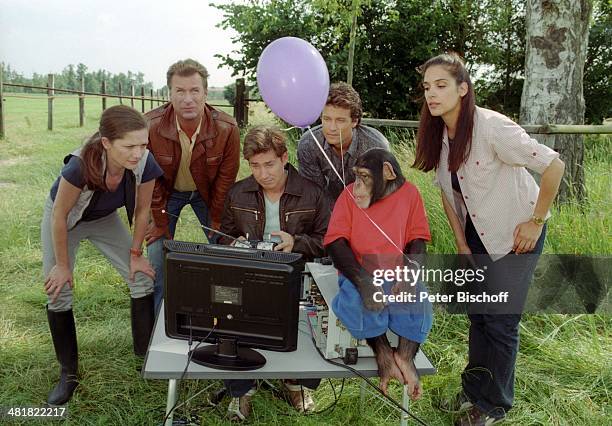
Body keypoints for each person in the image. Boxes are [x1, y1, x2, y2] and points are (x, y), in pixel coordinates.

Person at [413, 53, 565, 425]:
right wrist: (462, 245)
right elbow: (448, 195)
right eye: (427, 87)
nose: (432, 94)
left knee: (500, 321)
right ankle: (473, 391)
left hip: (516, 236)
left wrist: (536, 221)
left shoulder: (493, 127)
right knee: (478, 316)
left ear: (463, 89)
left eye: (441, 85)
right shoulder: (441, 135)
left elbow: (554, 165)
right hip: (476, 236)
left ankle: (494, 406)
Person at [42, 105, 163, 405]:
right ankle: (68, 373)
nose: (137, 153)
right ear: (106, 143)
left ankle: (144, 358)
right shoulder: (80, 165)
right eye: (129, 146)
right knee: (58, 291)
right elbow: (59, 214)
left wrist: (136, 253)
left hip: (103, 218)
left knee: (141, 279)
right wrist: (61, 265)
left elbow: (143, 209)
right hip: (66, 221)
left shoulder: (144, 162)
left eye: (143, 144)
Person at [219, 126, 330, 421]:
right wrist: (235, 243)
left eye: (269, 164)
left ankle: (295, 383)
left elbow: (329, 241)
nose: (263, 173)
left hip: (298, 274)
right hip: (249, 274)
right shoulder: (237, 192)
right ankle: (243, 391)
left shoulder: (312, 192)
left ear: (284, 158)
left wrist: (297, 243)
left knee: (311, 325)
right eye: (255, 166)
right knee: (229, 317)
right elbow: (220, 235)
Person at [324, 148, 433, 400]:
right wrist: (364, 282)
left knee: (419, 301)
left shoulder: (409, 194)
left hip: (395, 270)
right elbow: (335, 242)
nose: (357, 185)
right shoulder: (349, 196)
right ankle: (383, 355)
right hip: (360, 268)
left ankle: (405, 357)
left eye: (364, 177)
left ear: (387, 173)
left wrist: (409, 274)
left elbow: (417, 240)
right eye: (356, 176)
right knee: (359, 302)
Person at [145, 59, 240, 313]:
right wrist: (160, 221)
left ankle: (225, 314)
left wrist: (218, 218)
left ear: (205, 93)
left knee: (227, 248)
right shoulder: (150, 126)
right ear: (170, 94)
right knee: (156, 256)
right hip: (165, 194)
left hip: (207, 195)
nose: (188, 99)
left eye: (194, 91)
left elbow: (225, 180)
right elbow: (149, 180)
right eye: (180, 91)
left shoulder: (227, 128)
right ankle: (158, 324)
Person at [297, 82, 390, 210]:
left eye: (340, 120)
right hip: (327, 212)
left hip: (367, 210)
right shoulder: (309, 144)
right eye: (327, 119)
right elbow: (313, 196)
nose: (332, 128)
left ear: (354, 121)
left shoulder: (375, 146)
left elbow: (382, 195)